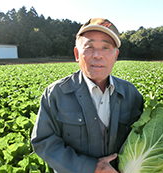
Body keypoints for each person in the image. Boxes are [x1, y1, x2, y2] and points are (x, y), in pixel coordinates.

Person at [31, 18, 144, 173]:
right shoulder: (56, 94)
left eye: (106, 47)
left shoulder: (131, 94)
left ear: (115, 55)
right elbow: (44, 141)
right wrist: (90, 167)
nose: (98, 55)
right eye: (89, 47)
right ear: (77, 53)